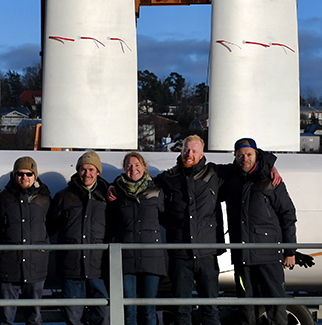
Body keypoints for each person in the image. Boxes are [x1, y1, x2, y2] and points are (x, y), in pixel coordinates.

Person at [220, 138, 297, 325]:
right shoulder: (230, 179)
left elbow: (288, 214)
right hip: (242, 256)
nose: (244, 158)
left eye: (248, 154)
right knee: (246, 305)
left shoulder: (271, 180)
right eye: (240, 155)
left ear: (256, 155)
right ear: (235, 157)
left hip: (268, 254)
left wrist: (290, 251)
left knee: (275, 303)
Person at [153, 135, 227, 325]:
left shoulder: (215, 174)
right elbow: (142, 186)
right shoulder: (169, 178)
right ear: (181, 150)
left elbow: (246, 167)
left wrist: (272, 167)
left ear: (202, 153)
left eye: (194, 151)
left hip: (207, 254)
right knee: (181, 311)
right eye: (186, 150)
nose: (189, 154)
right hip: (180, 254)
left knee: (211, 310)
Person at [47, 150, 111, 325]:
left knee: (103, 315)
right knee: (73, 316)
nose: (87, 174)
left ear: (98, 171)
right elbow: (50, 227)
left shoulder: (108, 196)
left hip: (99, 266)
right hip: (71, 266)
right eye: (83, 169)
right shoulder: (64, 196)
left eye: (91, 169)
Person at [0, 156, 51, 325]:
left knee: (34, 317)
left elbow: (51, 226)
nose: (24, 177)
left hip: (35, 266)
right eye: (20, 174)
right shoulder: (3, 198)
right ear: (14, 175)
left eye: (29, 174)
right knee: (6, 318)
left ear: (35, 175)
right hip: (9, 265)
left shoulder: (44, 199)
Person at [107, 152, 166, 325]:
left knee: (149, 308)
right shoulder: (117, 192)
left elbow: (167, 216)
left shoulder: (156, 190)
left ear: (144, 167)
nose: (133, 169)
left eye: (137, 165)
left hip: (151, 256)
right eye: (129, 166)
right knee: (129, 309)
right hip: (126, 257)